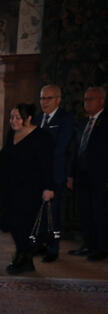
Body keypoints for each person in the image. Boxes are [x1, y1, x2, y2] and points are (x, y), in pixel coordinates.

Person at [0, 103, 55, 274]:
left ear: (28, 118)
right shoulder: (12, 134)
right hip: (10, 189)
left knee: (25, 226)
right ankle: (22, 256)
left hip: (30, 190)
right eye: (11, 117)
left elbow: (48, 165)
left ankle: (25, 258)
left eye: (17, 117)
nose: (13, 121)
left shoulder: (42, 137)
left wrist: (48, 188)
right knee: (14, 225)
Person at [32, 84, 75, 262]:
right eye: (42, 98)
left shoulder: (66, 119)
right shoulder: (37, 118)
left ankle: (53, 249)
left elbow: (62, 147)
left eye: (48, 98)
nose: (44, 102)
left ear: (58, 100)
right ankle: (41, 244)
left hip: (56, 174)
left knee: (54, 214)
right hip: (38, 175)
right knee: (40, 212)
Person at [66, 87, 107, 261]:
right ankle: (89, 245)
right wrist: (71, 175)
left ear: (101, 101)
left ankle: (102, 248)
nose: (86, 102)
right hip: (81, 176)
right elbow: (75, 150)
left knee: (100, 213)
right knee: (85, 212)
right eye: (85, 99)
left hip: (101, 177)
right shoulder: (83, 123)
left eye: (91, 99)